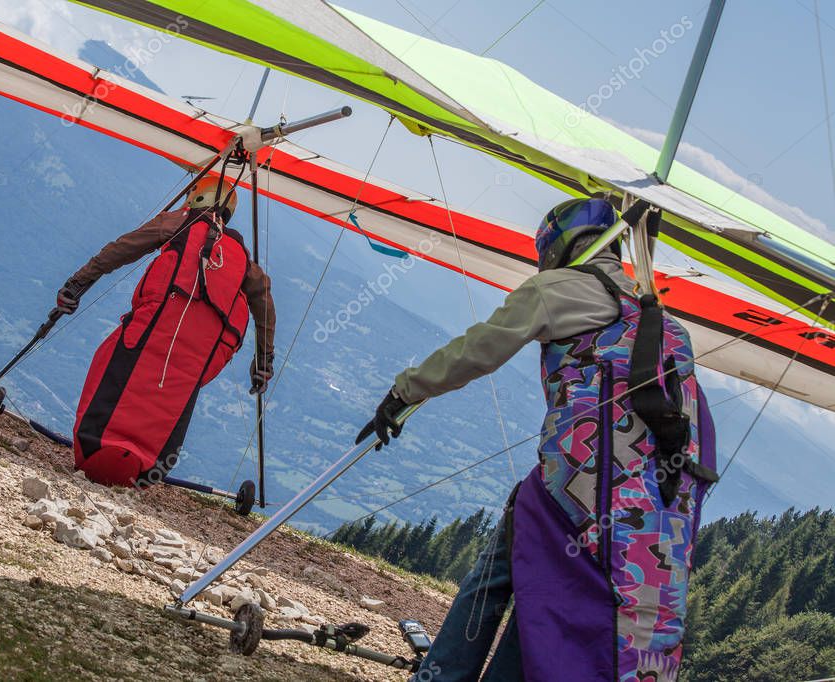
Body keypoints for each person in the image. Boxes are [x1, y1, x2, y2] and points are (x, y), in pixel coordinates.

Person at [357, 198, 718, 682]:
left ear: (557, 245)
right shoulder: (662, 320)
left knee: (495, 575)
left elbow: (477, 349)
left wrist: (404, 392)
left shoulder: (559, 288)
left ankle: (442, 676)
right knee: (546, 587)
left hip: (570, 491)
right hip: (640, 508)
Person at [59, 176, 276, 488]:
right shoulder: (244, 261)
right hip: (198, 360)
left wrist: (77, 283)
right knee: (178, 389)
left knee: (113, 359)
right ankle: (149, 468)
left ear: (196, 198)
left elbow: (121, 249)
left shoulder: (179, 223)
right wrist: (264, 362)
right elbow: (265, 305)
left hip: (147, 334)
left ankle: (98, 445)